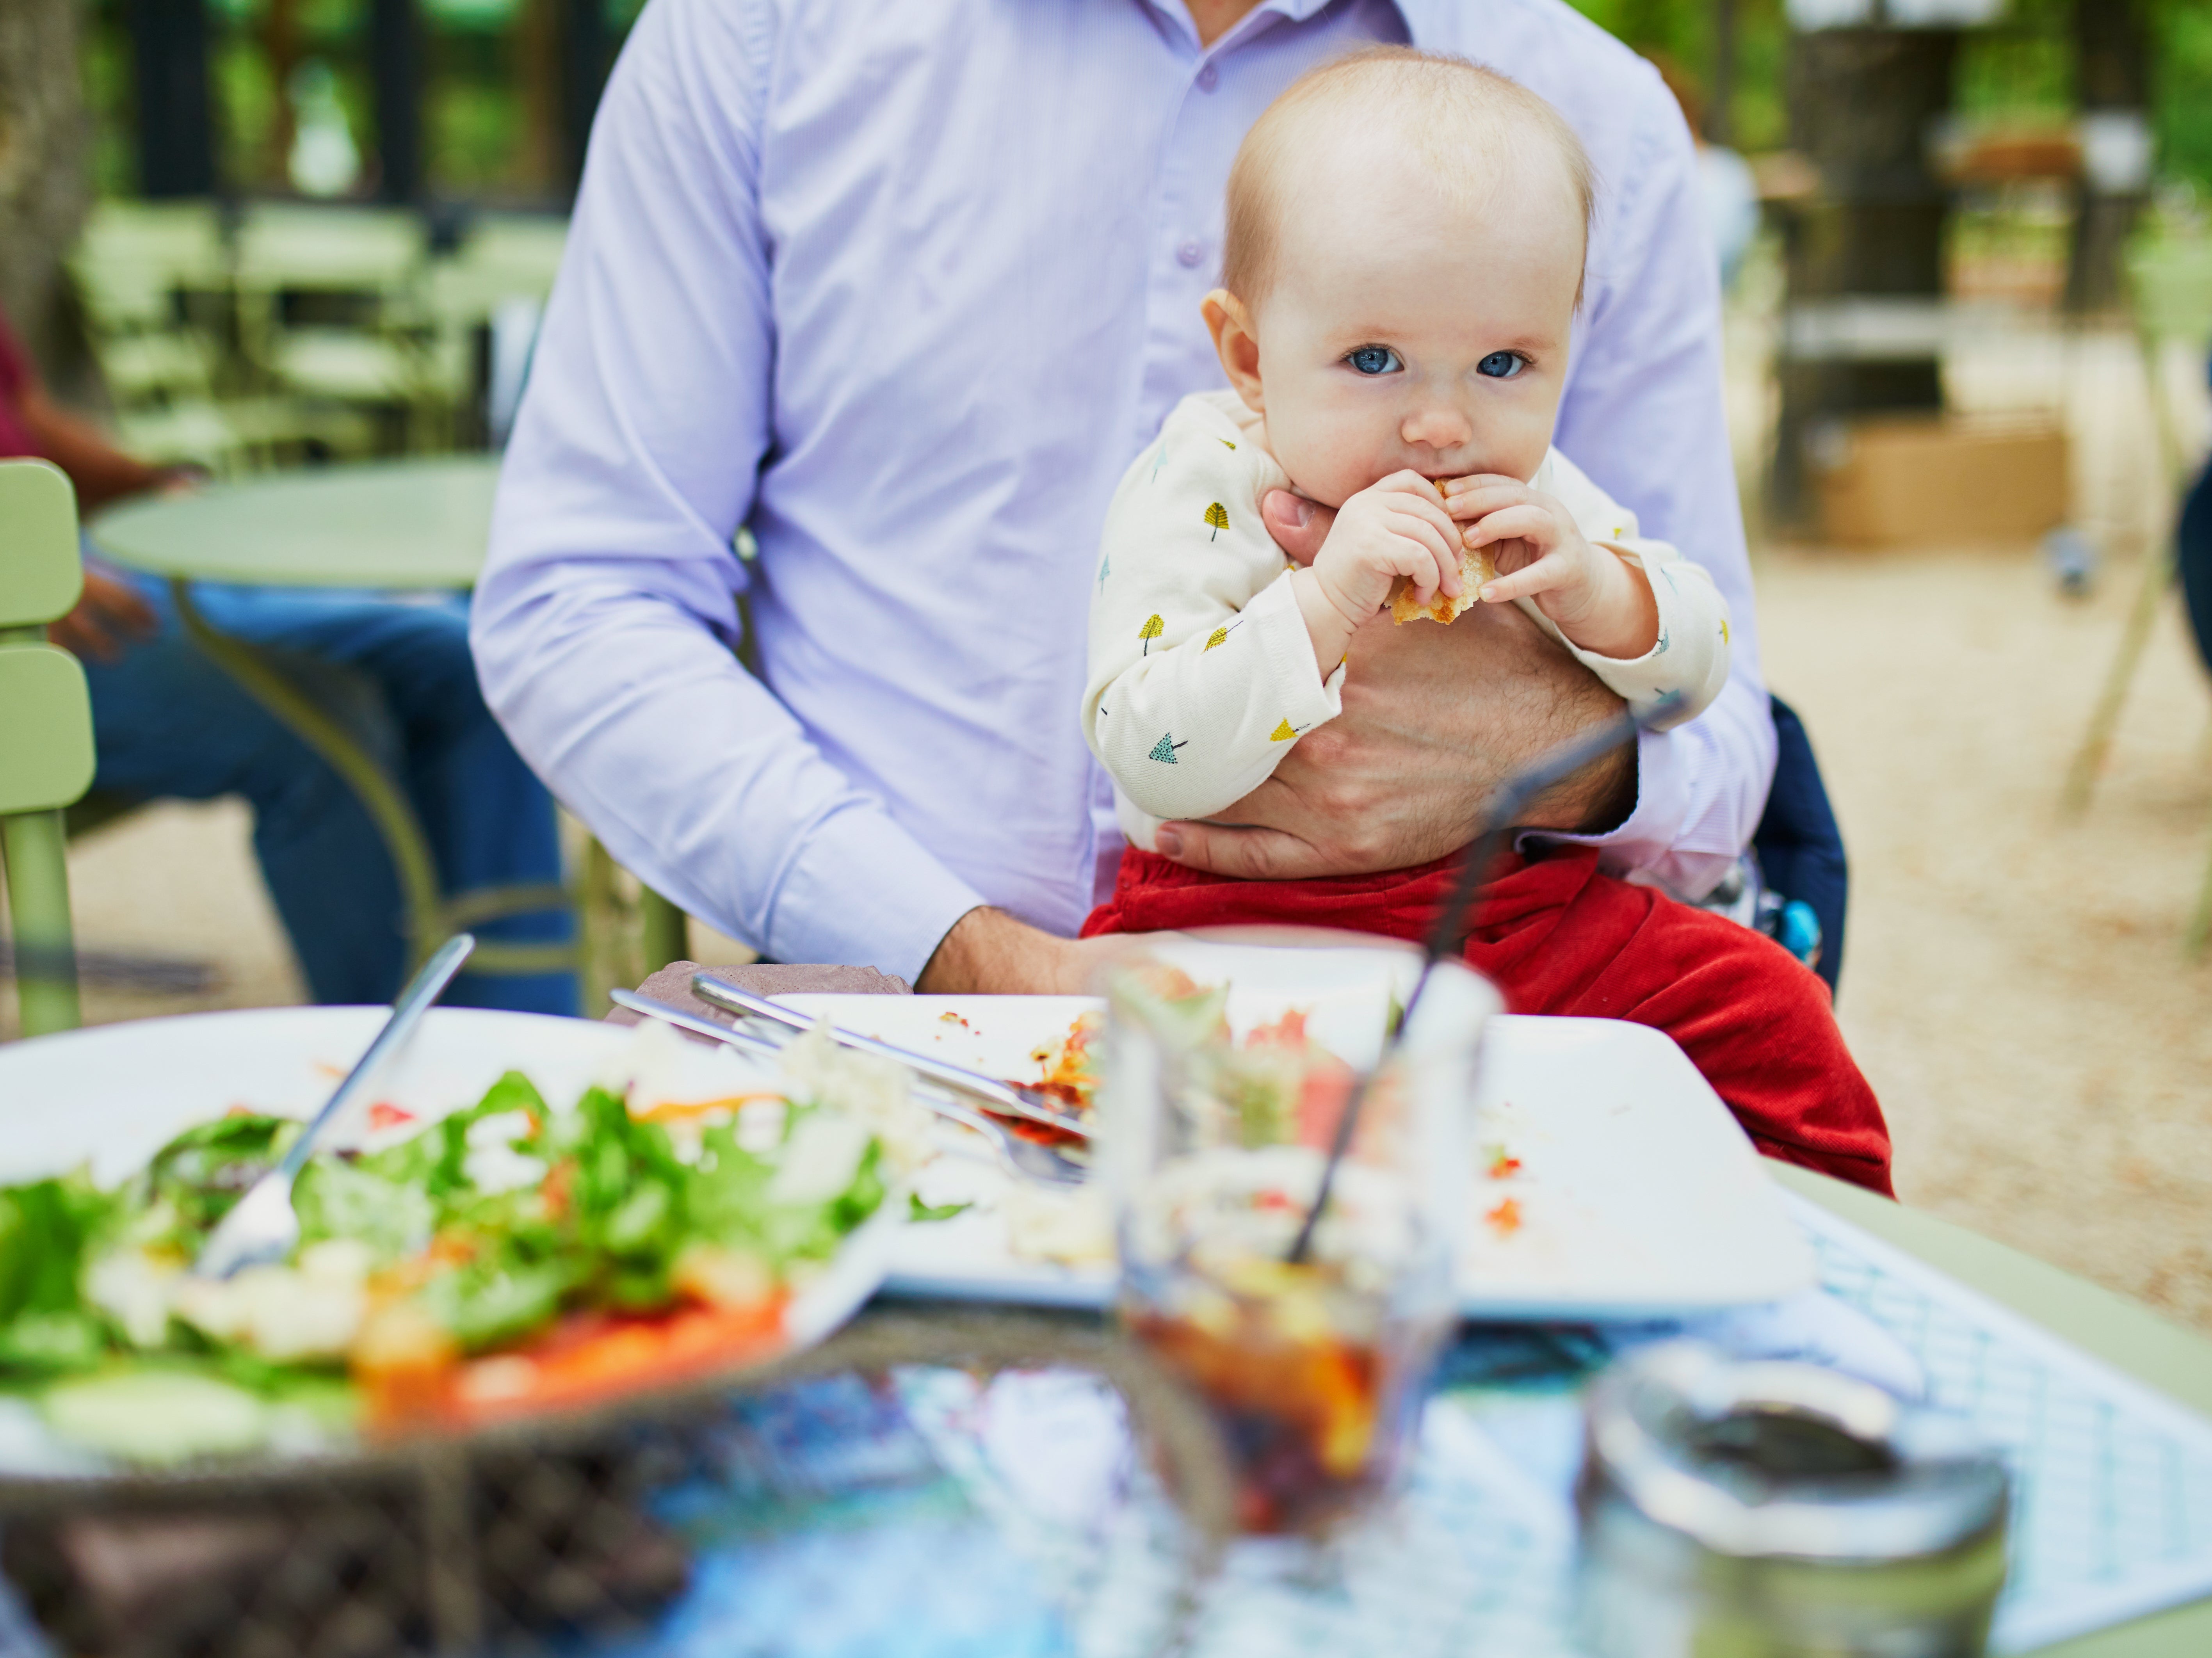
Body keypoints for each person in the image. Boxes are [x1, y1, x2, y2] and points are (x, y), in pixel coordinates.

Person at [473, 3, 1775, 1006]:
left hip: (1463, 1034)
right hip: (902, 1032)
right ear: (1242, 354)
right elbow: (580, 600)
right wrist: (961, 957)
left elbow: (1718, 757)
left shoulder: (1593, 114)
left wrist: (1549, 754)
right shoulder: (763, 35)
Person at [1081, 52, 1888, 1195]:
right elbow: (1141, 741)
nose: (1440, 422)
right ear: (1250, 359)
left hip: (1516, 911)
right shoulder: (1207, 473)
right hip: (1242, 929)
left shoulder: (1537, 486)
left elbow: (1701, 670)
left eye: (1504, 362)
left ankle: (1824, 1271)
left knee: (1764, 1008)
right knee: (1223, 1133)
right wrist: (1319, 604)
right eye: (1372, 360)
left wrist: (1596, 588)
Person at [0, 304, 575, 1013]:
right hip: (24, 598)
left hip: (74, 559)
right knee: (321, 721)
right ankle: (387, 1049)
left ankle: (530, 1025)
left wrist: (149, 482)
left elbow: (19, 404)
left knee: (456, 654)